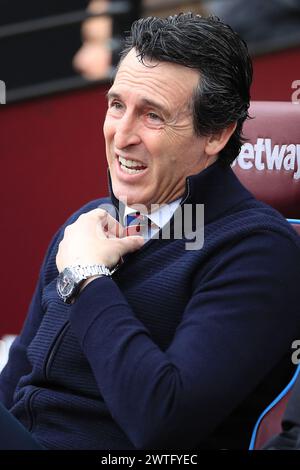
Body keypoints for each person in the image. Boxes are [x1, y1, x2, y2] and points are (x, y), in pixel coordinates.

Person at [1, 13, 300, 450]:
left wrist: (86, 280)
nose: (122, 136)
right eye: (117, 105)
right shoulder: (87, 224)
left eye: (152, 116)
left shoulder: (257, 251)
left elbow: (164, 422)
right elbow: (15, 383)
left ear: (216, 133)